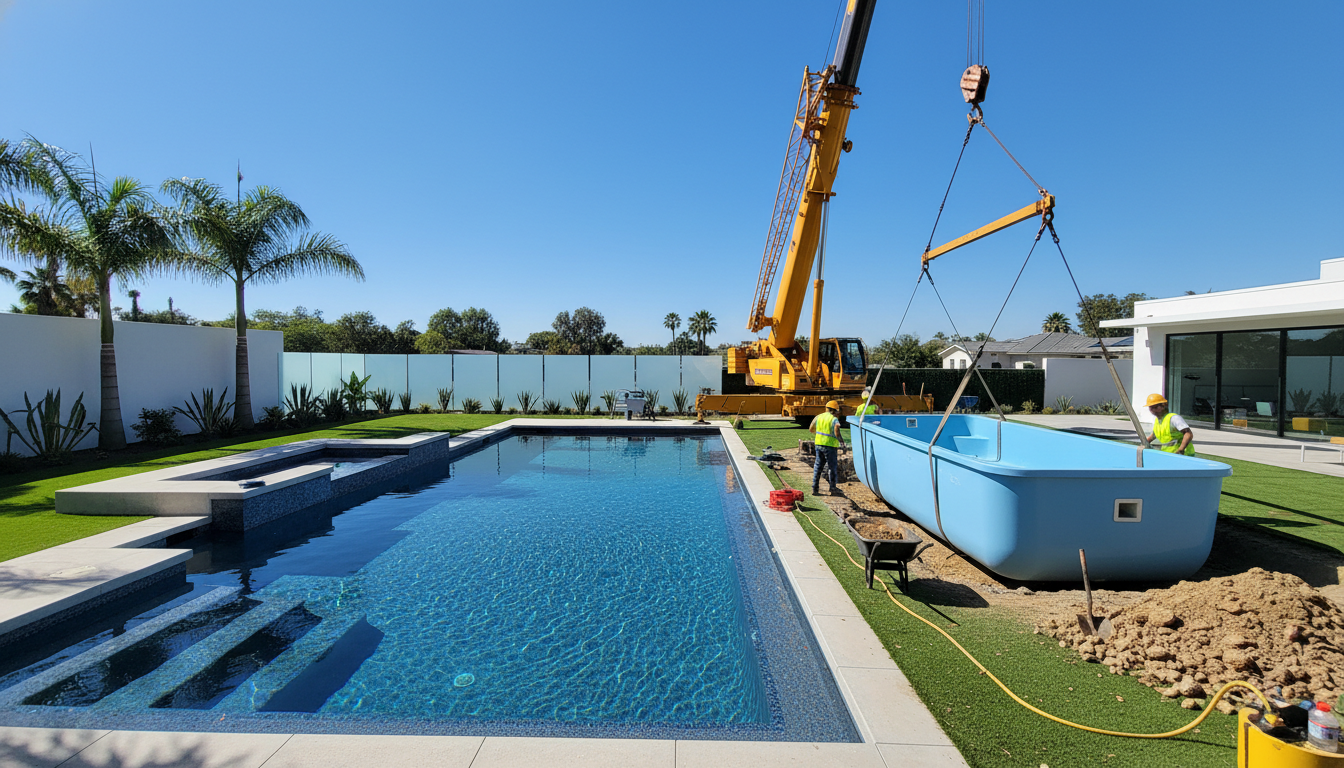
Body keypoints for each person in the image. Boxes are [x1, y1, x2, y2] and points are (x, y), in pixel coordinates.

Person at [809, 400, 847, 495]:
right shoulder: (834, 419)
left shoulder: (819, 417)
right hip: (830, 446)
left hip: (818, 444)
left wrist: (819, 435)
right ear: (834, 410)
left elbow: (811, 429)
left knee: (818, 466)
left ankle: (815, 488)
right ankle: (833, 488)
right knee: (832, 467)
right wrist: (842, 443)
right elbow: (837, 431)